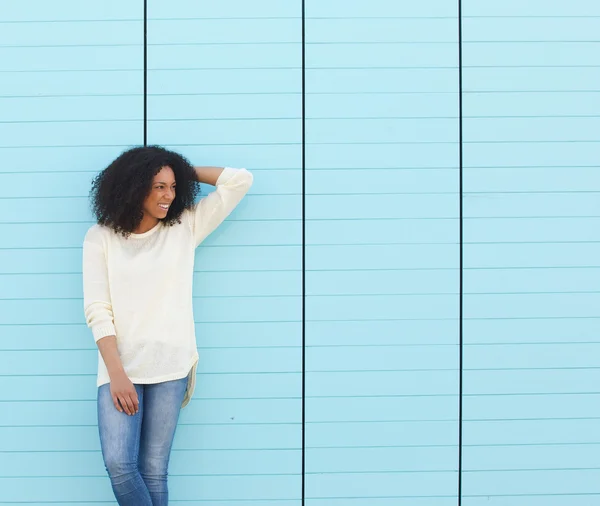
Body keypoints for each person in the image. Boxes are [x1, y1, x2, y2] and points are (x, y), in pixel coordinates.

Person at [82, 145, 253, 505]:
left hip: (171, 365)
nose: (169, 195)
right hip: (119, 367)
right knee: (119, 464)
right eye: (158, 186)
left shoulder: (184, 227)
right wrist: (117, 373)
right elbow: (98, 309)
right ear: (134, 186)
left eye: (173, 187)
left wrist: (181, 170)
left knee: (154, 469)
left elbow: (239, 181)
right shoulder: (100, 237)